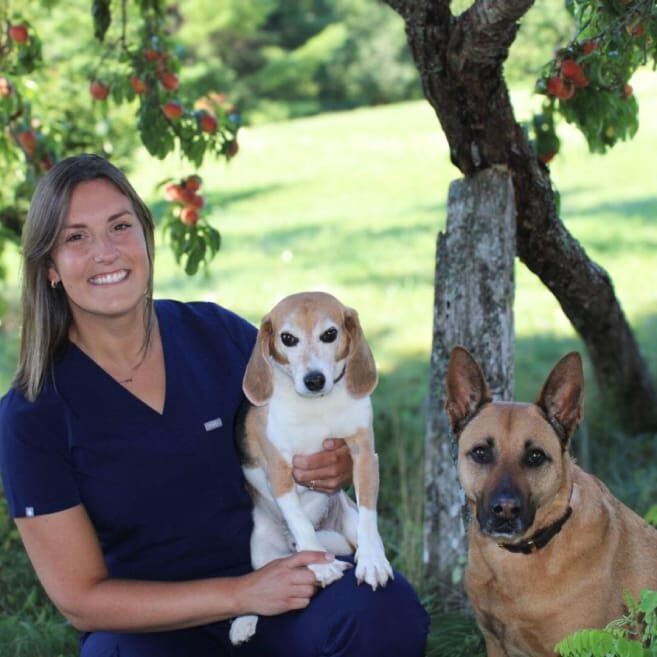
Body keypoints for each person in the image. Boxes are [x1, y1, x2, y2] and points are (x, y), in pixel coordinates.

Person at [0, 154, 430, 657]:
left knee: (385, 611)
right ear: (49, 266)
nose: (106, 252)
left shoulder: (218, 336)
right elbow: (81, 600)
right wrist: (242, 594)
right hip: (154, 625)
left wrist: (331, 463)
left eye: (120, 226)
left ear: (145, 236)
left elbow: (318, 420)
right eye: (76, 237)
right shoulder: (32, 413)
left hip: (282, 577)